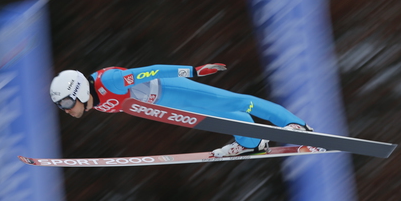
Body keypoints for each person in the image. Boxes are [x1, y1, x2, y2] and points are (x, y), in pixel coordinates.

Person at [49, 64, 312, 157]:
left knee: (236, 102)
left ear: (79, 92)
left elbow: (153, 70)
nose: (66, 110)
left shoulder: (110, 82)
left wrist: (194, 71)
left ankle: (294, 124)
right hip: (165, 104)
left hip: (172, 89)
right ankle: (251, 141)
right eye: (61, 106)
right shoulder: (96, 102)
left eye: (67, 103)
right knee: (218, 118)